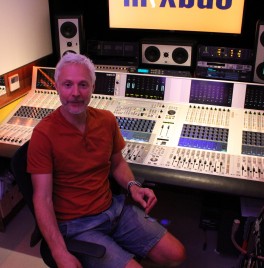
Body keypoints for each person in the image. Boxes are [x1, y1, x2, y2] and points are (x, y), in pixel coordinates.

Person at [27, 53, 186, 268]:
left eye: (83, 84)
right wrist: (58, 251)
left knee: (176, 254)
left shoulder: (106, 120)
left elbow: (117, 163)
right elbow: (42, 199)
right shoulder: (43, 134)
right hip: (78, 226)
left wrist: (133, 187)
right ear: (56, 87)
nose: (75, 93)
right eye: (67, 85)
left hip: (115, 210)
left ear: (93, 86)